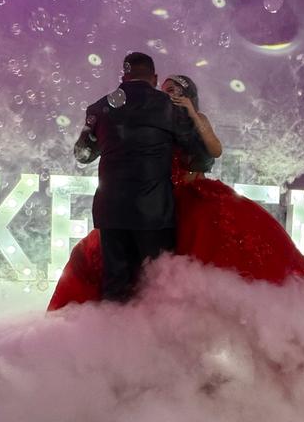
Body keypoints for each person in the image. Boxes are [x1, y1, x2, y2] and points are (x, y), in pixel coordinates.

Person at [48, 71, 304, 310]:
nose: (167, 94)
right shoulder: (159, 119)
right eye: (164, 89)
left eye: (173, 90)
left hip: (192, 196)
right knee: (110, 257)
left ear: (188, 95)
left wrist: (193, 115)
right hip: (159, 199)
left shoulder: (195, 119)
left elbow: (215, 150)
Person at [66, 52, 204, 304]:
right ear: (155, 78)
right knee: (157, 287)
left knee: (115, 287)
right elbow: (198, 154)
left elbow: (83, 155)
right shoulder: (169, 107)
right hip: (154, 212)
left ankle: (113, 329)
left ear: (124, 76)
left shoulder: (99, 108)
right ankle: (153, 330)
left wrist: (92, 128)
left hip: (111, 210)